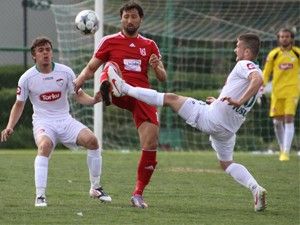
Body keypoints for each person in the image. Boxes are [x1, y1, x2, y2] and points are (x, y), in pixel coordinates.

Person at [107, 33, 267, 212]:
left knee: (170, 98)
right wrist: (220, 101)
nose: (234, 49)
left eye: (237, 46)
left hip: (211, 119)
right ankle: (255, 188)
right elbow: (246, 88)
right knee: (227, 163)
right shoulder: (257, 73)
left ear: (246, 51)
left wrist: (239, 100)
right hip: (228, 130)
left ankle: (124, 88)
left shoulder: (244, 65)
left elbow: (255, 80)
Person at [73, 1, 167, 208]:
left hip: (141, 95)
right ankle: (110, 88)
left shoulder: (150, 45)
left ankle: (138, 194)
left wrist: (156, 67)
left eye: (134, 16)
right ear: (121, 19)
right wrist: (76, 84)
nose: (129, 20)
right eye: (126, 16)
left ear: (140, 19)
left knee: (151, 144)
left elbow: (162, 77)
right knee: (111, 68)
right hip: (119, 91)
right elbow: (90, 68)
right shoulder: (109, 41)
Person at [0, 37, 111, 207]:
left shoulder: (65, 72)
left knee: (93, 141)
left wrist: (94, 100)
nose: (45, 53)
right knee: (44, 146)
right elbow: (19, 104)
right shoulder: (27, 78)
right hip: (43, 122)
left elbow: (78, 95)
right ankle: (40, 196)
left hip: (65, 120)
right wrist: (9, 126)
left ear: (52, 52)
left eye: (48, 49)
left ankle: (95, 188)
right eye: (41, 50)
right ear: (34, 56)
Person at [262, 28, 300, 161]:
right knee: (277, 122)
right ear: (278, 38)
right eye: (282, 36)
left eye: (287, 36)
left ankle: (285, 152)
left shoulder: (297, 53)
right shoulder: (273, 54)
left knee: (289, 119)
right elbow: (266, 72)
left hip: (292, 91)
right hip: (277, 92)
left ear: (291, 38)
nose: (284, 38)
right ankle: (282, 147)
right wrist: (261, 86)